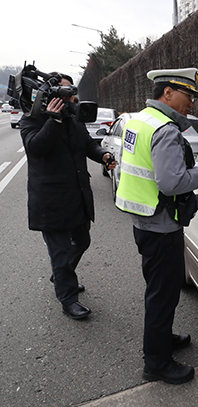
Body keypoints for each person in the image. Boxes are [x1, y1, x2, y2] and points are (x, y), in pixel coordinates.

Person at [115, 68, 198, 385]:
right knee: (163, 295)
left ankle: (161, 338)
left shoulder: (141, 120)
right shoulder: (166, 129)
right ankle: (156, 362)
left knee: (159, 291)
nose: (192, 105)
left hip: (143, 221)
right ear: (168, 93)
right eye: (189, 96)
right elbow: (172, 183)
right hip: (161, 226)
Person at [20, 73, 117, 320]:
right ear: (49, 94)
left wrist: (103, 155)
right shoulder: (33, 119)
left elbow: (87, 145)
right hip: (51, 201)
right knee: (60, 253)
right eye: (64, 91)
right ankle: (68, 298)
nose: (70, 95)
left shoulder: (73, 117)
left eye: (70, 91)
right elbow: (35, 148)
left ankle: (62, 275)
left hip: (77, 196)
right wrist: (53, 120)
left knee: (82, 241)